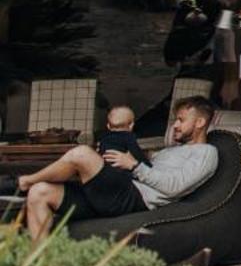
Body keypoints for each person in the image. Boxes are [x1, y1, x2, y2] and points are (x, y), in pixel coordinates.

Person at [11, 96, 220, 241]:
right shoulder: (172, 150)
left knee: (81, 154)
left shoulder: (207, 153)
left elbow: (175, 186)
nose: (175, 125)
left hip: (133, 198)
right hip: (116, 192)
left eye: (181, 120)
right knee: (40, 192)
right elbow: (148, 166)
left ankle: (24, 181)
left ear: (200, 122)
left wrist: (134, 165)